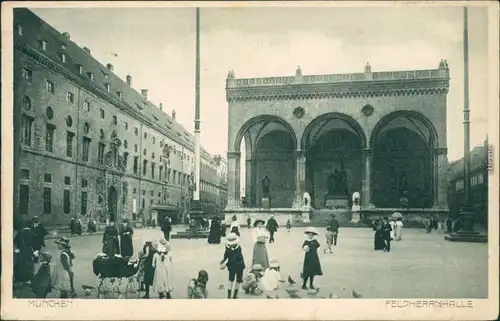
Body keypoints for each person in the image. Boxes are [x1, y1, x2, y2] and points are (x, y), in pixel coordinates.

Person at [220, 233, 245, 299]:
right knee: (237, 280)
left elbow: (227, 255)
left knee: (231, 280)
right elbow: (229, 256)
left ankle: (230, 295)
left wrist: (225, 263)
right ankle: (234, 295)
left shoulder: (228, 248)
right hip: (239, 265)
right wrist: (223, 260)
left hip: (233, 266)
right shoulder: (238, 248)